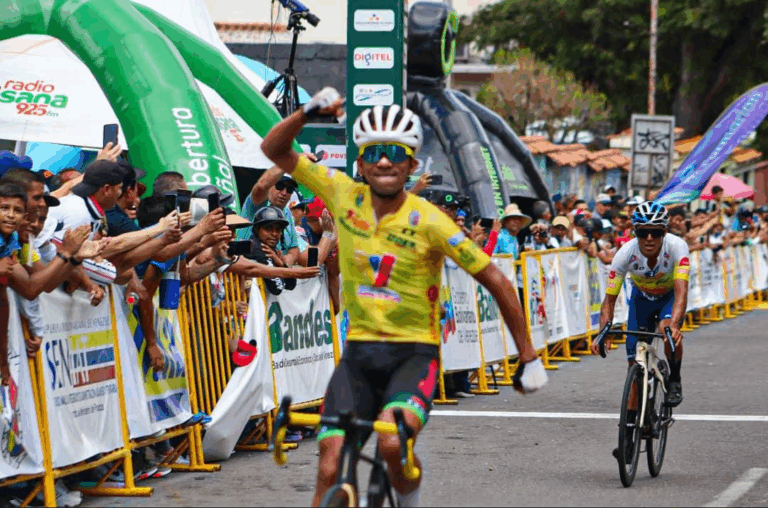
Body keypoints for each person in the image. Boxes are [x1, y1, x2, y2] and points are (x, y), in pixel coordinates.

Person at [260, 89, 547, 507]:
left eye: (396, 152)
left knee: (392, 446)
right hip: (359, 356)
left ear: (412, 164)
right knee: (328, 464)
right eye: (373, 152)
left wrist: (528, 356)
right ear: (359, 163)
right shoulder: (342, 194)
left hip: (413, 357)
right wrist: (307, 113)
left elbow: (497, 280)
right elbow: (273, 148)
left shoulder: (430, 221)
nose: (383, 161)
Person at [592, 202, 688, 438]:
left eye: (655, 232)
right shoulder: (624, 254)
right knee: (633, 364)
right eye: (642, 232)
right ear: (634, 232)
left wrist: (674, 325)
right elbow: (609, 301)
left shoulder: (678, 247)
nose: (648, 238)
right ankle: (631, 431)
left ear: (664, 232)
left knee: (667, 331)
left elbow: (681, 292)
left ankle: (674, 377)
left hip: (668, 298)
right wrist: (603, 332)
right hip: (641, 300)